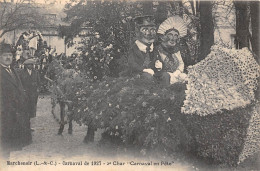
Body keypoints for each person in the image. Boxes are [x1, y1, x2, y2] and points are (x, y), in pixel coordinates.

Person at [0, 43, 32, 159]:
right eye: (4, 55)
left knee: (7, 149)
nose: (8, 57)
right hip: (4, 116)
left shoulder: (13, 70)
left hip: (13, 116)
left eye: (10, 55)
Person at [154, 16, 189, 85]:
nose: (173, 38)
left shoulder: (176, 50)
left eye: (175, 36)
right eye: (170, 35)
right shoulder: (158, 49)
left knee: (186, 78)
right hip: (163, 77)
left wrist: (177, 72)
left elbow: (181, 64)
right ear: (164, 37)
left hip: (176, 76)